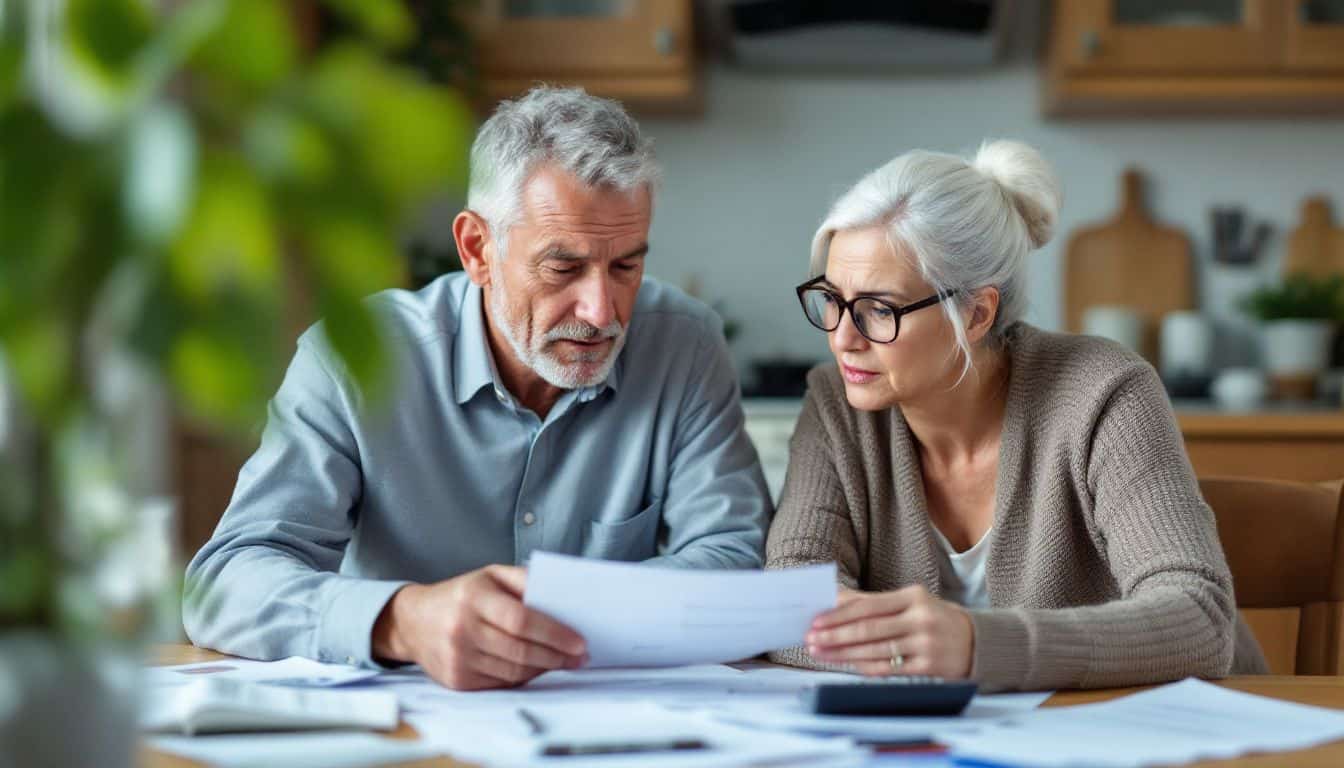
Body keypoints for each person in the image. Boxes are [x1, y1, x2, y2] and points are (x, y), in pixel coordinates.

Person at [184, 86, 771, 691]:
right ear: (476, 250)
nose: (601, 312)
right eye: (562, 268)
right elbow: (227, 582)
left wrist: (563, 618)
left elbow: (736, 560)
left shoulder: (686, 346)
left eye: (626, 266)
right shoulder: (352, 359)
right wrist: (403, 620)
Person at [767, 139, 1266, 691]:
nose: (842, 338)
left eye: (879, 309)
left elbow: (1199, 619)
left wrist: (977, 646)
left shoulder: (1104, 393)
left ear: (977, 313)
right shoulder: (836, 402)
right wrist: (912, 656)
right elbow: (788, 605)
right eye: (831, 299)